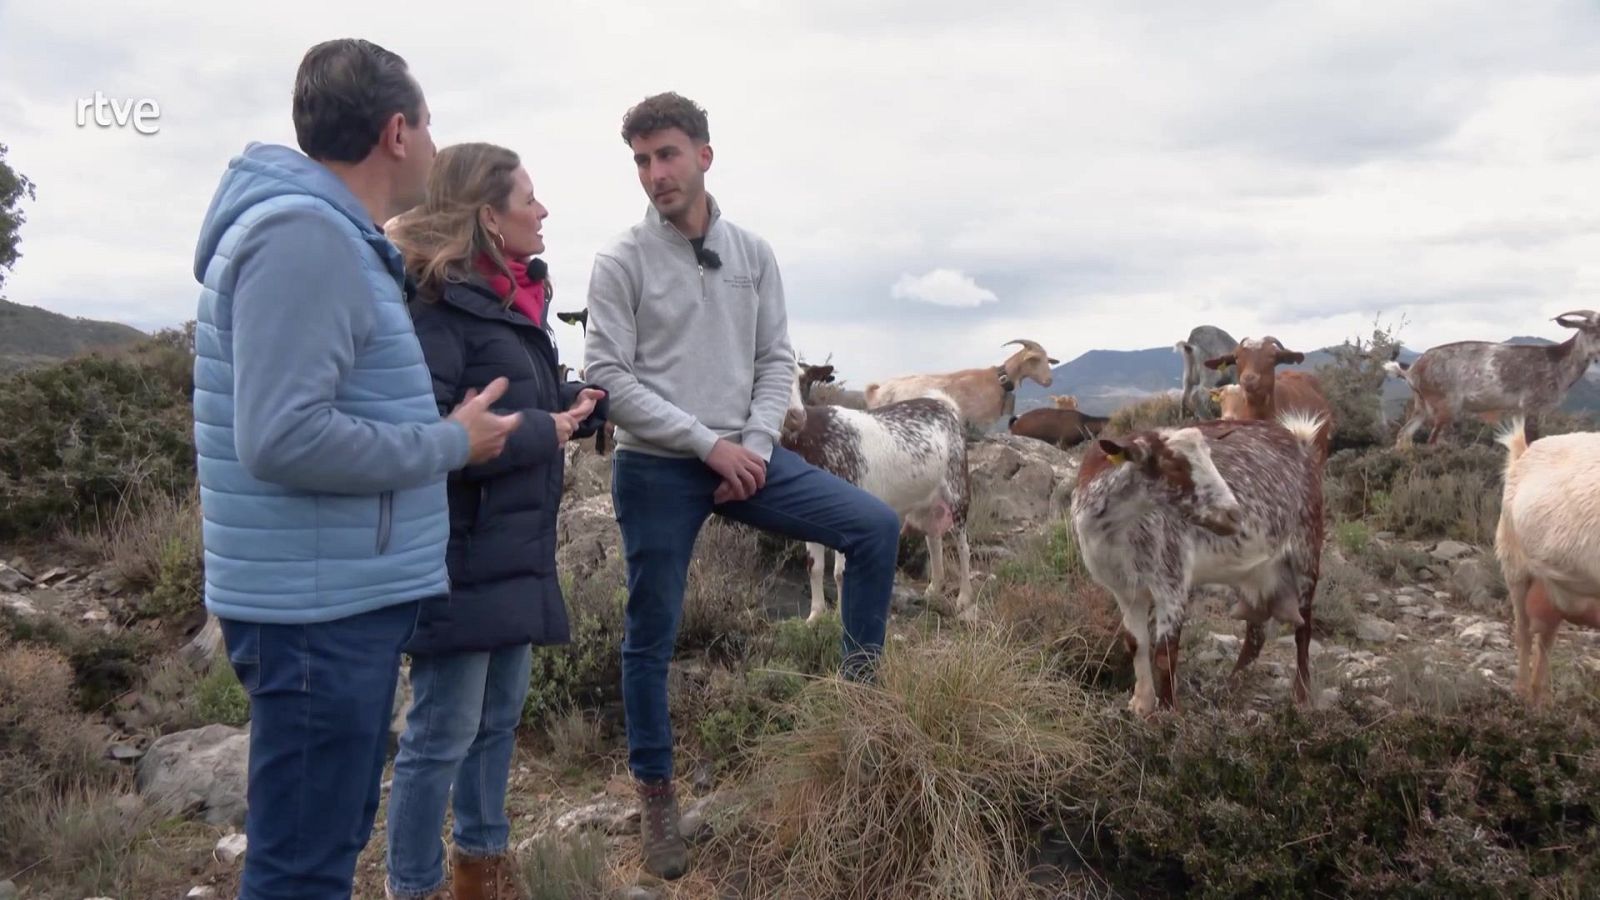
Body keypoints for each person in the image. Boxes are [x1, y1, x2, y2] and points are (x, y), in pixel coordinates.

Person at [190, 39, 520, 900]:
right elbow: (283, 437)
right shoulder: (305, 238)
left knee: (323, 849)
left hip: (330, 600)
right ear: (397, 131)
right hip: (314, 616)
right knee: (303, 868)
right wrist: (453, 442)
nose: (435, 146)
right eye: (430, 124)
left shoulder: (326, 234)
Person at [583, 91, 904, 881]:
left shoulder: (752, 255)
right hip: (659, 464)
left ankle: (856, 731)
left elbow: (774, 361)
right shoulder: (620, 259)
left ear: (703, 155)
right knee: (649, 631)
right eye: (641, 161)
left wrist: (753, 444)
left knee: (874, 529)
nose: (655, 174)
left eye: (666, 155)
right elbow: (607, 379)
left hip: (749, 456)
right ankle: (658, 796)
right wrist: (707, 444)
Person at [382, 143, 607, 900]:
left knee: (498, 721)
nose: (543, 212)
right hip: (459, 553)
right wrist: (549, 429)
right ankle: (412, 887)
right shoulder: (439, 308)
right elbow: (435, 437)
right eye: (529, 199)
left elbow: (513, 397)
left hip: (511, 549)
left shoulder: (512, 301)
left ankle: (482, 871)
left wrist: (573, 398)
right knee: (439, 735)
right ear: (488, 216)